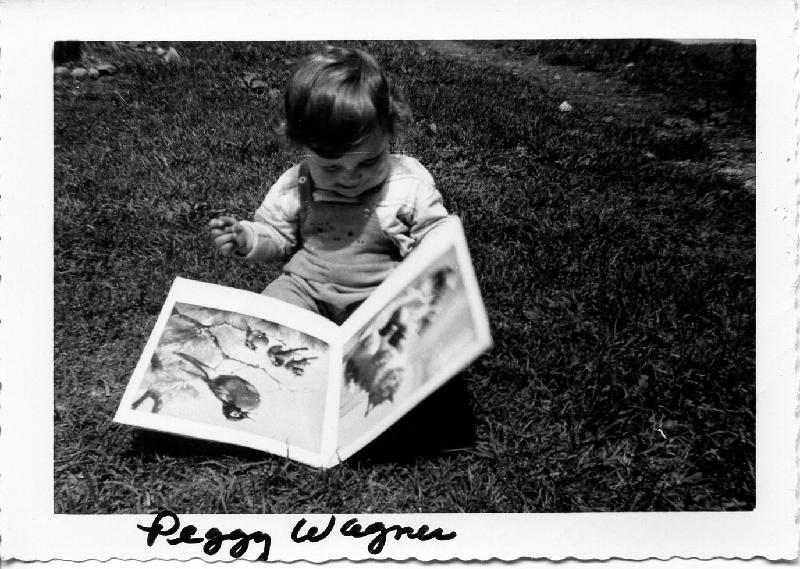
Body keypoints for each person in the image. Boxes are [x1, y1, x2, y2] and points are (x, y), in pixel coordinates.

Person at [208, 46, 449, 324]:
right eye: (331, 167)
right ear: (300, 145)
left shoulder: (406, 184)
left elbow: (437, 233)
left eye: (369, 161)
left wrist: (435, 247)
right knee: (273, 310)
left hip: (379, 296)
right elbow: (276, 234)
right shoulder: (296, 185)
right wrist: (247, 238)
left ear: (389, 133)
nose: (350, 177)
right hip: (306, 291)